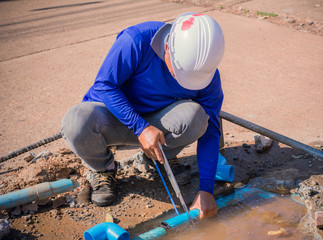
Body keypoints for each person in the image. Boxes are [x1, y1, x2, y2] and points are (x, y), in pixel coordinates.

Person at [61, 12, 225, 219]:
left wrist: (206, 190)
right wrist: (140, 127)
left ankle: (160, 158)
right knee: (75, 121)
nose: (185, 82)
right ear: (167, 48)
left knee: (198, 117)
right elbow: (104, 85)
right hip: (115, 119)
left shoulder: (207, 75)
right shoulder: (137, 40)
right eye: (181, 72)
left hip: (160, 124)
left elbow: (210, 131)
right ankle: (104, 170)